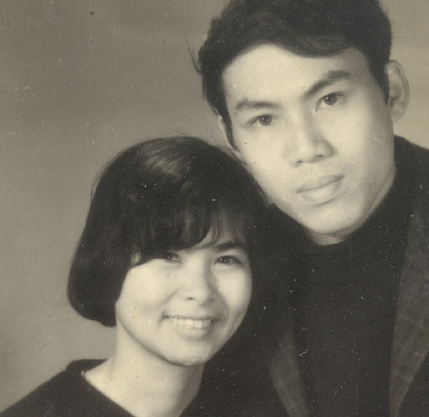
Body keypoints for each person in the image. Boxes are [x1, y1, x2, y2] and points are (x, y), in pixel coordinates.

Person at [197, 0, 429, 417]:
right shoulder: (221, 282)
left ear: (391, 92)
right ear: (231, 138)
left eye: (330, 99)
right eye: (264, 119)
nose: (307, 148)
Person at [1, 137, 285, 417]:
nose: (200, 291)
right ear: (109, 264)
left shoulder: (272, 407)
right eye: (168, 256)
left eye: (226, 259)